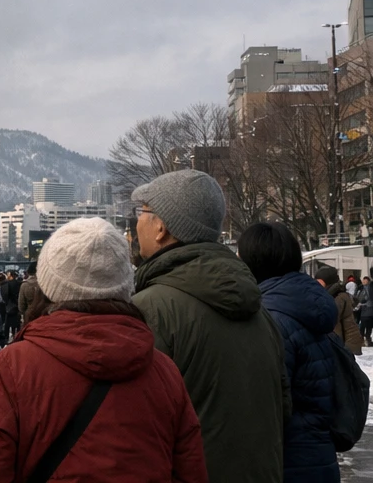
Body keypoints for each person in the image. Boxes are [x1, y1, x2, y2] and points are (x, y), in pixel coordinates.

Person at [0, 218, 207, 483]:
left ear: (48, 285)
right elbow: (190, 471)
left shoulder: (12, 369)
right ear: (123, 287)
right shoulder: (164, 373)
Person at [132, 169, 287, 483]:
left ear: (161, 227)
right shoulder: (259, 309)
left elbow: (135, 423)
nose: (136, 223)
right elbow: (283, 406)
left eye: (143, 212)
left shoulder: (151, 309)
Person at [239, 222, 339, 483]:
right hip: (318, 456)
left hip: (287, 461)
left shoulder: (271, 317)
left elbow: (268, 404)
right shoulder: (308, 304)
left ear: (254, 261)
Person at [315, 266, 363, 355]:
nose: (317, 284)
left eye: (320, 282)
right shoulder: (326, 295)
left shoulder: (338, 297)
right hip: (330, 343)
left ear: (328, 282)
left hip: (335, 344)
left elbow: (348, 325)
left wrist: (350, 350)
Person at [0, 270, 22, 343]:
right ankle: (17, 336)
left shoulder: (7, 284)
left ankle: (6, 338)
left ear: (11, 275)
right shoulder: (19, 284)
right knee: (17, 323)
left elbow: (5, 295)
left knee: (7, 324)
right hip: (17, 306)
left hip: (9, 306)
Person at [359, 275, 373, 347]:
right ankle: (362, 340)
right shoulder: (360, 288)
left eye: (365, 280)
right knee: (363, 326)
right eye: (363, 280)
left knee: (368, 327)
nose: (364, 281)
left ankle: (367, 340)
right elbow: (359, 298)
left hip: (369, 311)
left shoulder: (369, 288)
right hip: (364, 312)